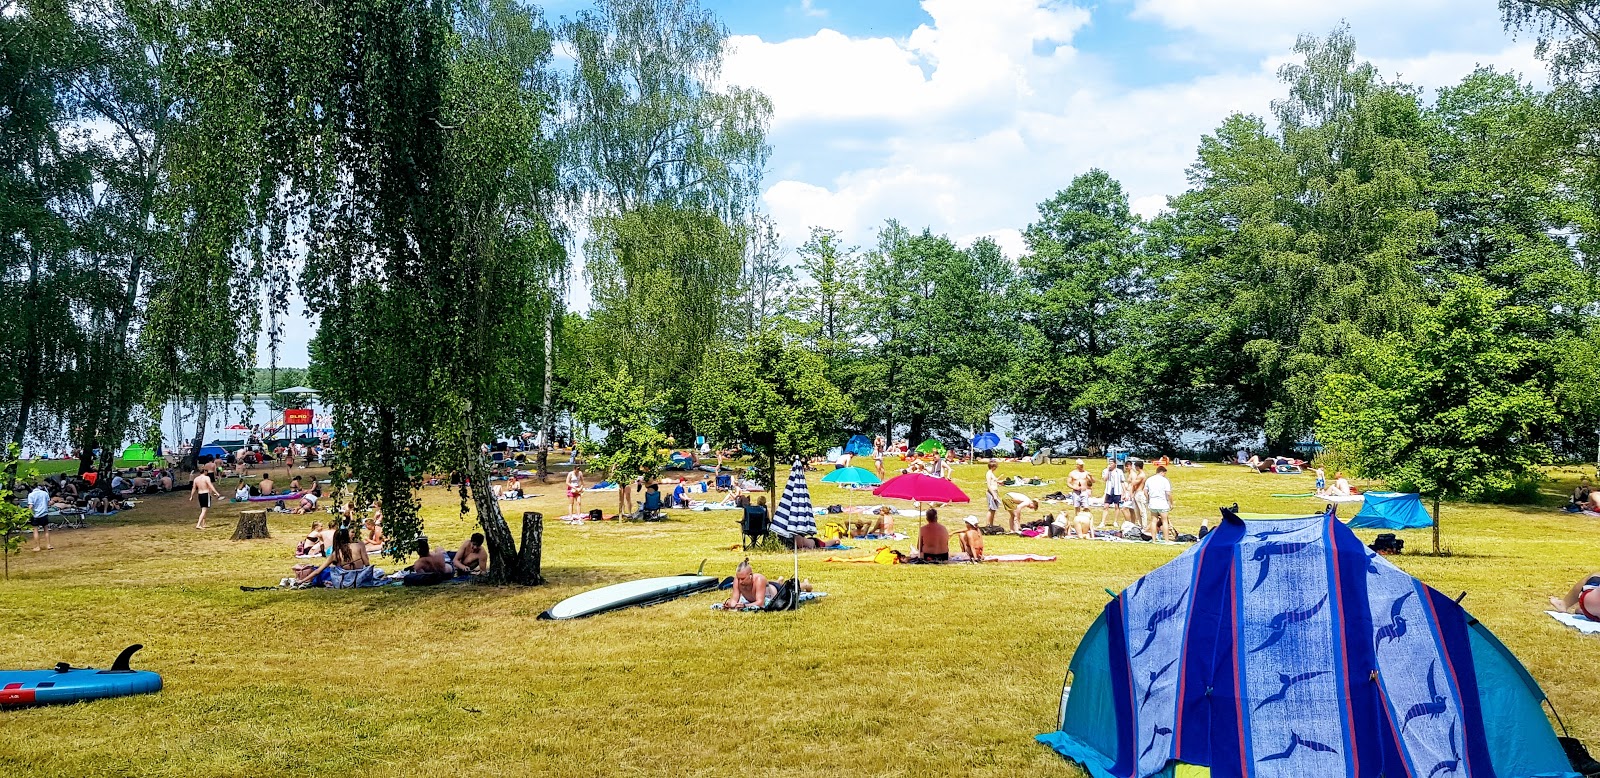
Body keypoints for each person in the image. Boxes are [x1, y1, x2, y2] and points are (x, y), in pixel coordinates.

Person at [1146, 465, 1175, 540]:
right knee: (1164, 521)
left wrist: (1148, 499)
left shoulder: (1149, 479)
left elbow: (1145, 491)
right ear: (1162, 472)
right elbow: (1168, 493)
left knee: (1153, 521)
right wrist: (1171, 503)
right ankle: (1166, 539)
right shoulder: (1164, 480)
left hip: (1153, 502)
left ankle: (1154, 539)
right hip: (1162, 502)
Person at [1100, 459, 1125, 530]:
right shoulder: (1105, 471)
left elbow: (1122, 481)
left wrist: (1124, 492)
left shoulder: (1119, 471)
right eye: (1109, 463)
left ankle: (1115, 521)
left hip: (1117, 490)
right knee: (1106, 506)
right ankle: (1103, 522)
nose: (1110, 464)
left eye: (1111, 463)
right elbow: (1105, 479)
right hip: (1109, 490)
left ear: (1115, 464)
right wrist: (1108, 471)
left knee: (1117, 506)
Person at [28, 483, 50, 552]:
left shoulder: (31, 495)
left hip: (35, 515)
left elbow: (31, 506)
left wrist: (28, 513)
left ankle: (37, 547)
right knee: (46, 529)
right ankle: (48, 545)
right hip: (44, 513)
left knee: (35, 530)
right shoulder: (45, 493)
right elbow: (48, 503)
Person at [1127, 461, 1148, 530]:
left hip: (1140, 493)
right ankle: (1140, 525)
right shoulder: (1139, 474)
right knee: (1137, 511)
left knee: (1142, 510)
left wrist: (1131, 479)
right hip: (1136, 493)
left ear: (1138, 467)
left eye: (1135, 466)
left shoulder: (1141, 475)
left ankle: (1144, 526)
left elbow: (1134, 483)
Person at [985, 460, 1001, 527]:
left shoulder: (991, 473)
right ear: (993, 466)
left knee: (994, 509)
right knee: (991, 509)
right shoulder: (989, 473)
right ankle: (987, 524)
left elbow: (993, 481)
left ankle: (991, 524)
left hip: (994, 491)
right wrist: (994, 495)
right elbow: (988, 485)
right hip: (991, 492)